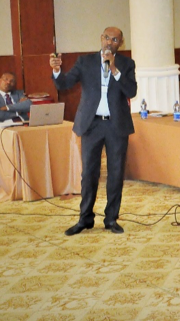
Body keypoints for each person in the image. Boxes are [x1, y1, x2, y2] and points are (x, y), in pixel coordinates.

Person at [50, 27, 137, 236]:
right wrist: (56, 70)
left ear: (120, 43)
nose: (110, 42)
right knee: (89, 173)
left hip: (117, 126)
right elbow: (65, 83)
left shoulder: (126, 64)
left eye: (115, 39)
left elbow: (132, 91)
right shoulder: (85, 61)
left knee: (116, 173)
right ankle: (85, 219)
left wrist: (115, 70)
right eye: (107, 37)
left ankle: (111, 219)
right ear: (101, 38)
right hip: (92, 125)